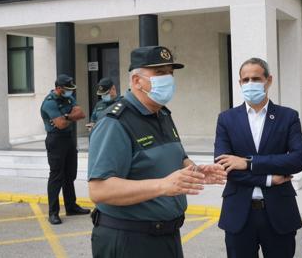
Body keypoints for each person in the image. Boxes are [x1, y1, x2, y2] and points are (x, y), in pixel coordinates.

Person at [88, 46, 226, 258]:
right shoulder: (115, 122)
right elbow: (100, 190)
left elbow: (175, 157)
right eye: (160, 73)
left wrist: (193, 169)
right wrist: (163, 185)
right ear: (136, 81)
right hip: (129, 240)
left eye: (170, 72)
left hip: (166, 236)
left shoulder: (162, 114)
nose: (168, 79)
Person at [215, 57, 302, 258]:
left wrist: (248, 163)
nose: (250, 84)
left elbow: (298, 160)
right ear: (239, 83)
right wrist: (268, 179)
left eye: (256, 78)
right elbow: (224, 166)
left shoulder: (288, 117)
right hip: (239, 214)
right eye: (245, 80)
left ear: (269, 80)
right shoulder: (226, 119)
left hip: (279, 213)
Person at [40, 74, 91, 225]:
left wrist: (66, 117)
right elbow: (60, 125)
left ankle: (71, 206)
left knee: (70, 175)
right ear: (58, 88)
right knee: (56, 176)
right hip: (55, 140)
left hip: (68, 139)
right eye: (67, 89)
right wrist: (69, 117)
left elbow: (81, 114)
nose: (71, 92)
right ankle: (53, 213)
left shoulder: (68, 98)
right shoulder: (49, 103)